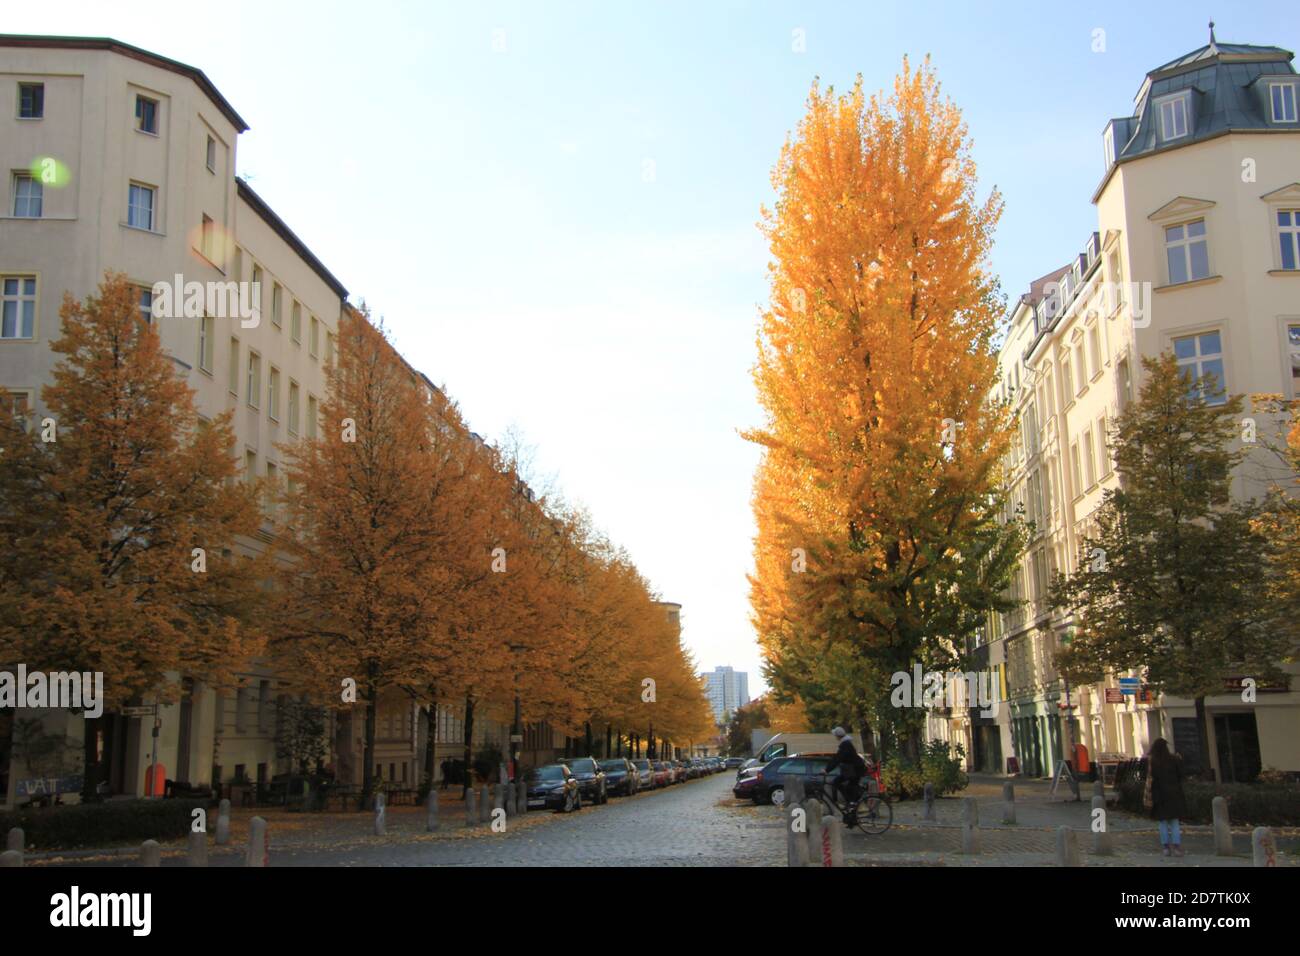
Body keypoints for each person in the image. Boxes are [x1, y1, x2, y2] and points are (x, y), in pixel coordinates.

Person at [1147, 738, 1187, 858]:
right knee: (1174, 822)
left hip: (1160, 795)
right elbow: (1181, 776)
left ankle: (1165, 847)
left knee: (1163, 822)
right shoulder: (1174, 759)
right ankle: (1177, 847)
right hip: (1174, 794)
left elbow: (1150, 780)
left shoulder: (1153, 762)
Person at [824, 727, 867, 807]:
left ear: (838, 736)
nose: (835, 737)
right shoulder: (846, 743)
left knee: (839, 783)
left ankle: (852, 802)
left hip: (855, 770)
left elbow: (838, 759)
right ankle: (852, 803)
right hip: (852, 770)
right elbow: (836, 758)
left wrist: (827, 770)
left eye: (835, 735)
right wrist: (827, 768)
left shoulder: (845, 745)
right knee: (846, 786)